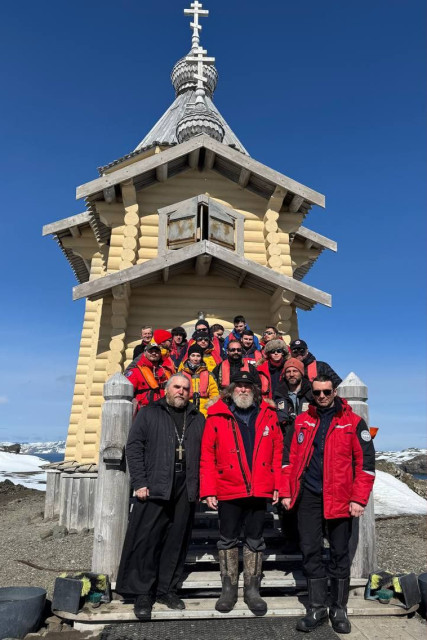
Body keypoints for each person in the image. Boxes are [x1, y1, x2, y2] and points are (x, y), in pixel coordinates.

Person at [280, 375, 375, 634]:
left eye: (326, 391)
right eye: (317, 392)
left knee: (339, 552)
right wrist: (287, 492)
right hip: (308, 495)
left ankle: (338, 608)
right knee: (310, 550)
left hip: (341, 497)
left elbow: (365, 466)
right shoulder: (301, 421)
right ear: (311, 393)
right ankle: (317, 607)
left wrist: (358, 498)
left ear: (335, 392)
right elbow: (288, 460)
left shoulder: (353, 422)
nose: (321, 396)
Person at [116, 374, 205, 620]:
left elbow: (206, 454)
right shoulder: (149, 413)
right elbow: (134, 447)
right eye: (177, 387)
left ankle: (167, 589)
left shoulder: (197, 418)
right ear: (167, 389)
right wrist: (140, 481)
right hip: (155, 483)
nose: (181, 392)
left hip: (185, 486)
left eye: (186, 388)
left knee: (176, 539)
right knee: (147, 539)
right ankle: (143, 592)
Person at [200, 371, 283, 615]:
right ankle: (228, 589)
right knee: (227, 539)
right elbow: (207, 455)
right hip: (228, 487)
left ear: (255, 391)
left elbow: (278, 452)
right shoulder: (216, 417)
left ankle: (252, 589)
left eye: (248, 386)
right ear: (231, 390)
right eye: (239, 386)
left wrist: (277, 484)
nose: (243, 390)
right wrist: (208, 490)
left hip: (259, 488)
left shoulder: (268, 416)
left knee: (255, 540)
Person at [273, 358, 313, 551]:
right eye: (288, 371)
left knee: (306, 495)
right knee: (285, 492)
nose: (291, 374)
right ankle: (289, 538)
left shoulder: (313, 393)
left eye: (294, 371)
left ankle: (307, 540)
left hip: (307, 448)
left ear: (301, 373)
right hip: (284, 446)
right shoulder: (278, 394)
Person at [124, 344, 172, 412]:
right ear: (145, 353)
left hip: (164, 411)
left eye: (157, 351)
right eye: (150, 351)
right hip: (144, 412)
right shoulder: (135, 372)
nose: (154, 353)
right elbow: (126, 394)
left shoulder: (166, 372)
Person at [178, 344, 219, 416]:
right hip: (185, 410)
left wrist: (210, 410)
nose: (195, 359)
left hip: (205, 412)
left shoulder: (209, 375)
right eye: (193, 355)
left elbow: (214, 394)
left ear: (201, 357)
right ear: (188, 357)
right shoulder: (180, 375)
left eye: (198, 356)